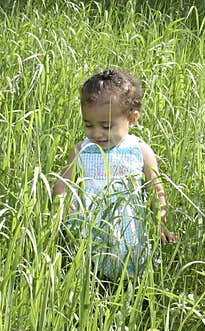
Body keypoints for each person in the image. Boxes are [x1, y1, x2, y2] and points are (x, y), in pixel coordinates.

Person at [52, 68, 177, 282]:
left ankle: (129, 293)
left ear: (132, 118)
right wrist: (60, 204)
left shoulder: (139, 150)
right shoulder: (82, 149)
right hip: (91, 224)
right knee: (90, 272)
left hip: (128, 226)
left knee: (129, 269)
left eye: (107, 126)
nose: (97, 133)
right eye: (88, 125)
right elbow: (64, 181)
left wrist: (160, 222)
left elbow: (155, 188)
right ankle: (92, 288)